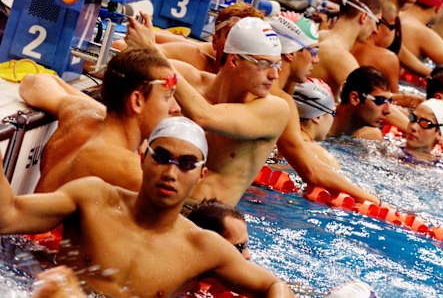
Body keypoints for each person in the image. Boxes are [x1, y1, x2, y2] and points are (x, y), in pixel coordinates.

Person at [0, 117, 293, 297]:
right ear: (143, 158)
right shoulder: (92, 197)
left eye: (187, 164)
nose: (170, 172)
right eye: (162, 157)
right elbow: (8, 217)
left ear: (200, 175)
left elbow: (274, 286)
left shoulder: (203, 247)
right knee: (58, 288)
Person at [126, 15, 290, 207]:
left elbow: (203, 116)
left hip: (203, 218)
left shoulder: (274, 110)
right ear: (234, 60)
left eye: (276, 64)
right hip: (149, 198)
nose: (274, 74)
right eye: (264, 64)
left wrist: (151, 52)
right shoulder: (187, 78)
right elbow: (114, 68)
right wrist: (136, 46)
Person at [19, 48, 181, 193]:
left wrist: (110, 110)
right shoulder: (131, 171)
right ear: (137, 101)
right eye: (168, 97)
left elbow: (33, 82)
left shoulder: (81, 115)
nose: (176, 108)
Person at [267, 16, 381, 204]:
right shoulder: (282, 103)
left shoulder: (274, 93)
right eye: (312, 51)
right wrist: (366, 197)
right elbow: (311, 170)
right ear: (291, 53)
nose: (316, 60)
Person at [310, 0, 381, 97]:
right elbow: (371, 101)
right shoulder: (339, 57)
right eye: (377, 22)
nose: (376, 30)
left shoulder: (320, 35)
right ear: (364, 17)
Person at [328, 66, 392, 141]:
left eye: (389, 101)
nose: (388, 111)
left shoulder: (372, 136)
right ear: (354, 98)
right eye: (380, 100)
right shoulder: (317, 125)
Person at [293, 78, 339, 169]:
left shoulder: (275, 143)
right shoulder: (324, 159)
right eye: (333, 113)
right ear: (317, 117)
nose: (333, 118)